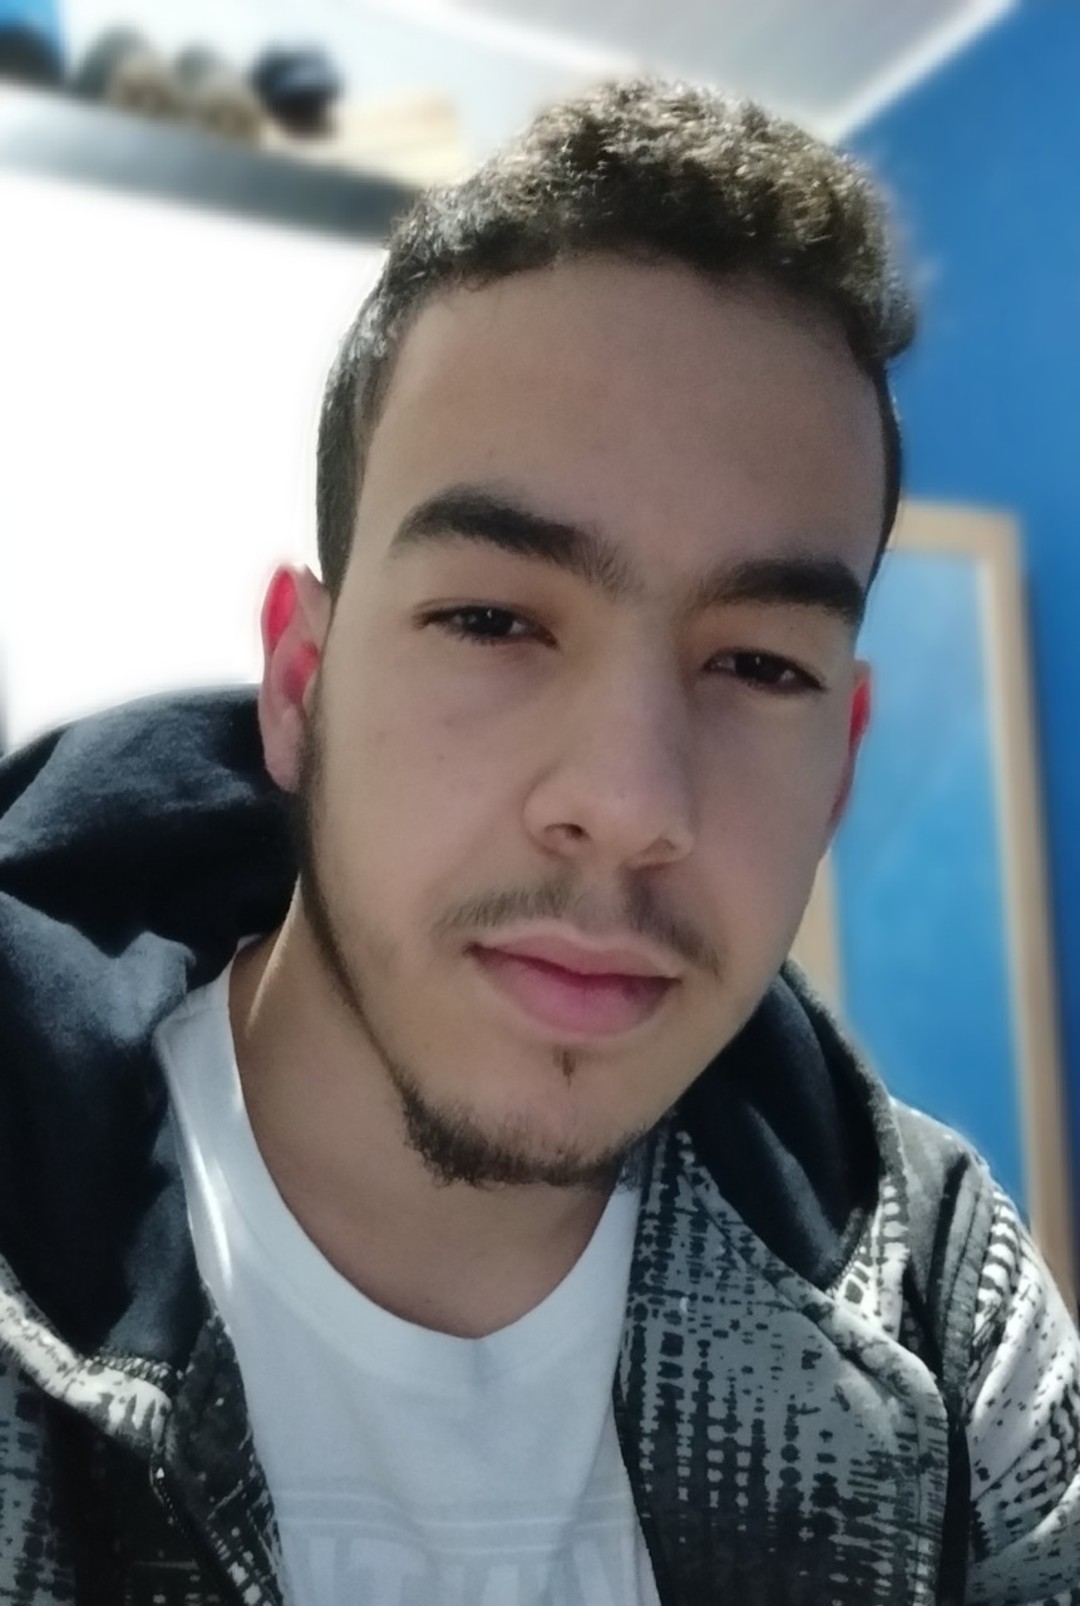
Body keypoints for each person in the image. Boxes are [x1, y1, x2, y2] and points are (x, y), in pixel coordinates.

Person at [0, 76, 1076, 1606]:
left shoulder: (946, 1305)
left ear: (841, 763)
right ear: (301, 687)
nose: (630, 800)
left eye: (758, 663)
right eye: (495, 619)